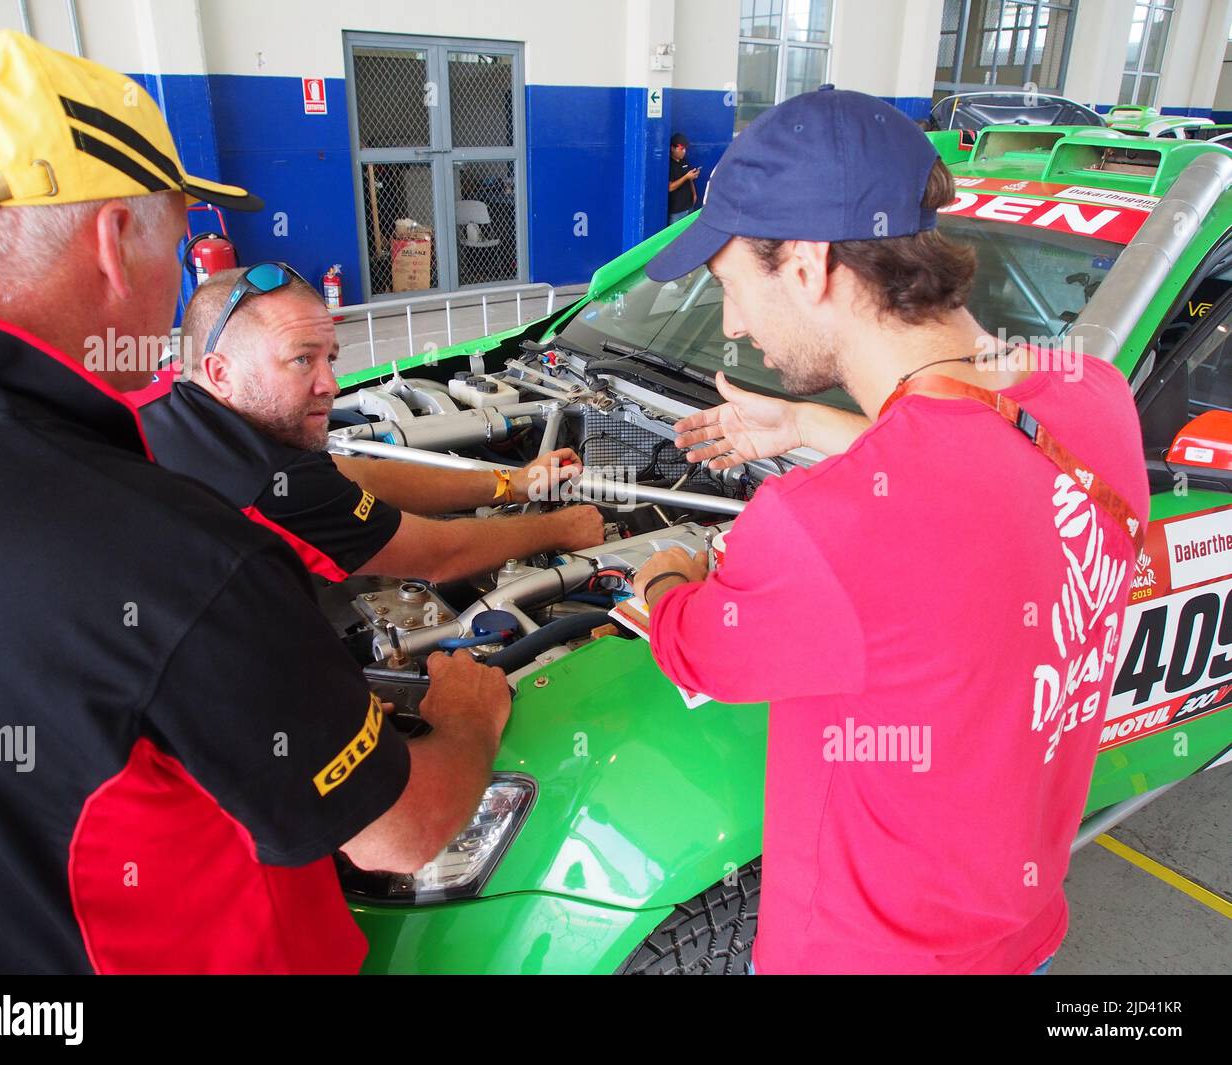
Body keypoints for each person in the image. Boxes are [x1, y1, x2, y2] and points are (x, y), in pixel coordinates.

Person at [0, 29, 510, 975]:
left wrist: (507, 482)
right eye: (178, 248)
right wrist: (469, 713)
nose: (179, 285)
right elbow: (397, 833)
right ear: (117, 243)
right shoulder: (173, 556)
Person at [631, 87, 1149, 974]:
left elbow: (694, 648)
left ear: (806, 265)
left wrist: (662, 571)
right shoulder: (1097, 399)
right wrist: (808, 427)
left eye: (730, 286)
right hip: (1023, 940)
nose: (733, 325)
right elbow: (982, 462)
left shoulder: (816, 527)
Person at [140, 268, 605, 584]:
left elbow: (354, 474)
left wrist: (511, 483)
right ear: (220, 371)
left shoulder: (157, 396)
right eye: (302, 359)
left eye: (331, 358)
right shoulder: (263, 482)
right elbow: (439, 556)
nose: (330, 384)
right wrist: (561, 529)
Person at [668, 132, 700, 225]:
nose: (684, 151)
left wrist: (694, 194)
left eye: (685, 149)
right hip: (677, 210)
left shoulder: (684, 161)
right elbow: (670, 187)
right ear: (672, 148)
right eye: (681, 149)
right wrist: (686, 177)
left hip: (689, 206)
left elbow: (689, 179)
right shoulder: (669, 164)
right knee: (675, 237)